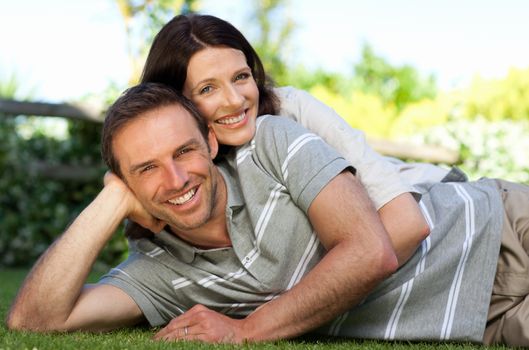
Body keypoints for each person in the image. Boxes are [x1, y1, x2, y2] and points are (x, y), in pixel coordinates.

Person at [7, 83, 529, 347]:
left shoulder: (271, 144)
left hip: (498, 223)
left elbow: (371, 251)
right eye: (147, 169)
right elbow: (35, 321)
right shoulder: (161, 275)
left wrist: (246, 331)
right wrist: (111, 200)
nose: (176, 179)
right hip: (483, 317)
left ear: (211, 141)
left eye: (184, 152)